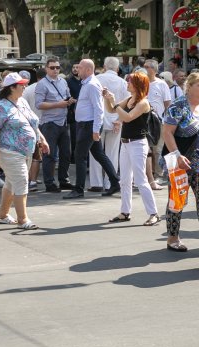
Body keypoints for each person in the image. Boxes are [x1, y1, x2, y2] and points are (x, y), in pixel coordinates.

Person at [162, 72, 199, 252]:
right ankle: (173, 237)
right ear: (189, 87)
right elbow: (167, 132)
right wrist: (177, 155)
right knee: (177, 200)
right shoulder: (178, 106)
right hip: (180, 163)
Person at [0, 72, 49, 229]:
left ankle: (2, 215)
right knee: (22, 180)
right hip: (9, 151)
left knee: (11, 182)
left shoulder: (22, 101)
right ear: (12, 88)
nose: (24, 87)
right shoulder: (1, 106)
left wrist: (42, 139)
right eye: (21, 85)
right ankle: (23, 219)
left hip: (26, 151)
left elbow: (32, 123)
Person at [102, 72, 159, 226]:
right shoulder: (130, 99)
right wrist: (108, 99)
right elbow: (112, 110)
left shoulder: (143, 103)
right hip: (126, 143)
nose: (127, 83)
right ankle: (125, 211)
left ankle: (153, 213)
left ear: (138, 84)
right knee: (125, 180)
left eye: (130, 81)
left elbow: (127, 117)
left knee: (141, 180)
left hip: (138, 143)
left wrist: (113, 103)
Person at [64, 59, 121, 199]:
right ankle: (115, 182)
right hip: (86, 125)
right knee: (98, 154)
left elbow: (99, 109)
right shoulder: (88, 83)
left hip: (89, 126)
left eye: (81, 67)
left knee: (80, 155)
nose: (77, 69)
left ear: (88, 70)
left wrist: (95, 130)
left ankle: (78, 189)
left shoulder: (92, 85)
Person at [35, 57, 75, 192]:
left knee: (66, 154)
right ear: (46, 69)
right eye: (52, 68)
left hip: (63, 121)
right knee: (50, 155)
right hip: (50, 123)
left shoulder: (63, 81)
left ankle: (64, 180)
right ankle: (50, 183)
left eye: (58, 67)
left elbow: (67, 96)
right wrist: (59, 104)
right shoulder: (42, 84)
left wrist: (70, 101)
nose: (55, 70)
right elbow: (39, 104)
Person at [93, 56, 128, 192]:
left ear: (104, 67)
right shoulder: (122, 82)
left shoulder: (97, 80)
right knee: (112, 153)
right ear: (118, 68)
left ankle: (96, 182)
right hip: (116, 120)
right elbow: (126, 104)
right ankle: (110, 182)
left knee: (96, 152)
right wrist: (120, 120)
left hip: (99, 120)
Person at [144, 59, 171, 189]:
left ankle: (158, 175)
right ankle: (146, 176)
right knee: (145, 149)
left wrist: (166, 120)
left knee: (157, 149)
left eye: (147, 67)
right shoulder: (142, 83)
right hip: (143, 121)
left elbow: (167, 104)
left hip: (157, 121)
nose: (144, 69)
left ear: (154, 70)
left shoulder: (162, 84)